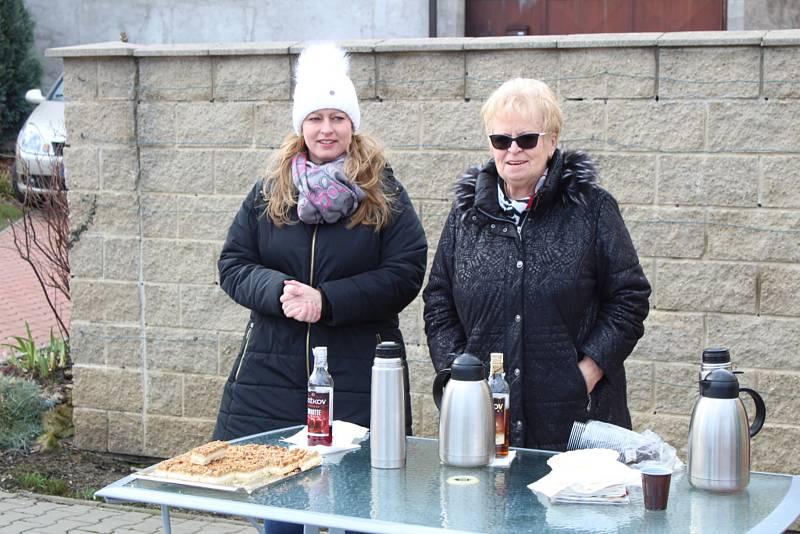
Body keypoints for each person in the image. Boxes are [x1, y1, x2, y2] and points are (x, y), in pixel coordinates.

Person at [213, 43, 426, 444]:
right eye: (315, 118)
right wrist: (281, 292)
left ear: (352, 124)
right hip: (269, 376)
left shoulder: (384, 192)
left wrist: (325, 301)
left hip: (358, 374)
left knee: (353, 492)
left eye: (337, 118)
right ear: (301, 125)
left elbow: (405, 272)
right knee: (267, 489)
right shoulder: (270, 191)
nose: (326, 129)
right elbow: (234, 264)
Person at [423, 78, 650, 452]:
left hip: (577, 424)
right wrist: (457, 377)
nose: (513, 150)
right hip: (484, 421)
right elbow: (438, 303)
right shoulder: (466, 216)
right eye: (501, 140)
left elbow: (629, 299)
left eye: (527, 139)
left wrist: (586, 374)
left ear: (552, 140)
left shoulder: (592, 210)